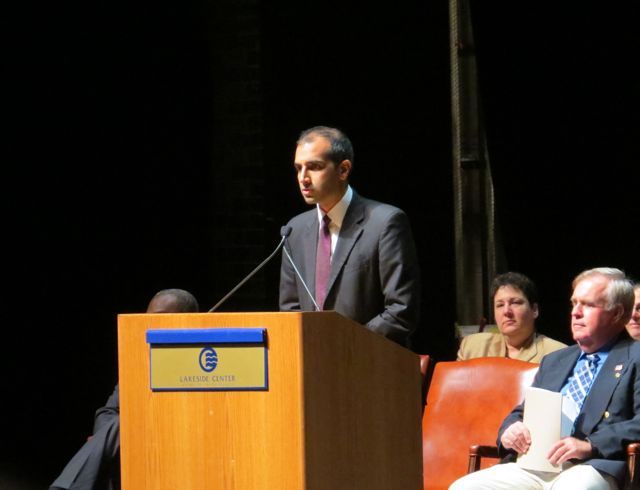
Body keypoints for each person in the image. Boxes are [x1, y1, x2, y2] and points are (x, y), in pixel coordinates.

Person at [449, 267, 639, 490]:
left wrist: (590, 445)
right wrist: (510, 430)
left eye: (588, 305)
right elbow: (522, 412)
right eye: (574, 303)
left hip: (593, 465)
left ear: (616, 313)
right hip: (535, 464)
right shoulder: (555, 360)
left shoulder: (635, 356)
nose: (576, 312)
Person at [279, 126, 421, 346]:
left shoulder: (385, 222)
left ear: (343, 170)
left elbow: (401, 309)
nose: (303, 178)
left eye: (314, 167)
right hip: (312, 360)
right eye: (298, 168)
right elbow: (290, 311)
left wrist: (345, 345)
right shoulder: (294, 230)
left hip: (371, 358)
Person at [50, 288, 199, 490]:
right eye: (146, 318)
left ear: (187, 319)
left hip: (180, 437)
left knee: (126, 424)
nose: (149, 324)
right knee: (121, 430)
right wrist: (105, 440)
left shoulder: (200, 362)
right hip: (137, 442)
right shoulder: (142, 362)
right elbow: (108, 411)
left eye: (159, 317)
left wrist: (107, 440)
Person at [457, 272, 567, 362]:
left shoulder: (558, 354)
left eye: (515, 303)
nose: (506, 311)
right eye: (500, 305)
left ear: (534, 310)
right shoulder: (472, 347)